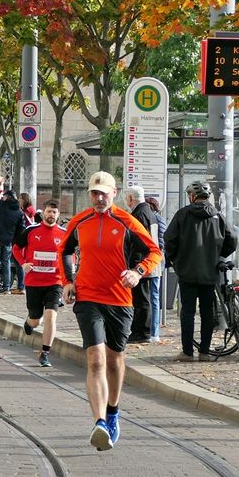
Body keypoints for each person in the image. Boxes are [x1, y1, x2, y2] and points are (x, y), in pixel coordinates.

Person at [61, 171, 161, 451]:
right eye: (94, 193)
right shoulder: (79, 221)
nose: (99, 198)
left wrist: (138, 272)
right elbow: (64, 251)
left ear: (114, 193)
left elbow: (155, 252)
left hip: (119, 299)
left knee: (115, 360)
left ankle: (113, 411)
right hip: (88, 297)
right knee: (95, 359)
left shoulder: (127, 221)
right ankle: (100, 422)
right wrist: (67, 281)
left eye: (104, 193)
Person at [163, 180, 237, 362]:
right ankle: (204, 352)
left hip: (187, 271)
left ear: (192, 196)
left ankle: (187, 352)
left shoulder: (182, 215)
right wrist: (219, 255)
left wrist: (175, 259)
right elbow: (232, 239)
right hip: (209, 272)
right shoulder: (217, 216)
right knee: (207, 312)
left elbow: (169, 239)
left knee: (187, 313)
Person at [12, 199, 67, 368]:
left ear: (58, 215)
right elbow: (16, 248)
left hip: (55, 282)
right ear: (43, 213)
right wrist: (23, 264)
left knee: (51, 316)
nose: (51, 215)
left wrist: (68, 277)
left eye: (54, 212)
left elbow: (69, 256)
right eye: (49, 211)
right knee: (36, 321)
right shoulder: (31, 230)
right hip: (34, 282)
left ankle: (45, 353)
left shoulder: (64, 233)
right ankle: (29, 322)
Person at [123, 186, 158, 344]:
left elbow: (139, 242)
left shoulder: (139, 214)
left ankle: (142, 332)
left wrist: (136, 265)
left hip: (141, 263)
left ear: (131, 198)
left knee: (141, 299)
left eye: (127, 198)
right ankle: (141, 331)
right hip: (147, 261)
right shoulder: (148, 211)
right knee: (143, 298)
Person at [144, 196, 168, 343]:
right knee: (151, 296)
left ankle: (154, 332)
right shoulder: (153, 218)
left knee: (154, 296)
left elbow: (162, 241)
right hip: (151, 262)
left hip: (155, 262)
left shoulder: (157, 219)